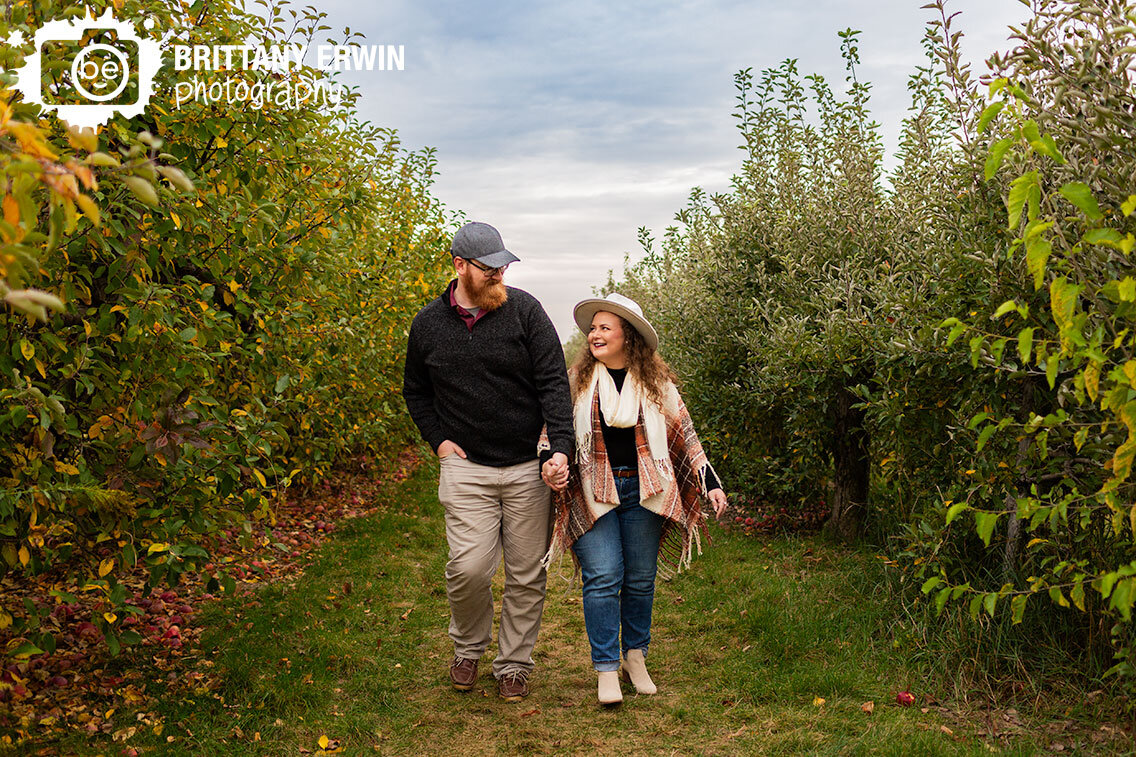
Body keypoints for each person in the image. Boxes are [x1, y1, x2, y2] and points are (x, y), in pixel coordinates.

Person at [402, 221, 573, 702]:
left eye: (504, 265)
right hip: (467, 467)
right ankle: (468, 647)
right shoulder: (428, 325)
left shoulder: (526, 312)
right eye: (490, 267)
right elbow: (415, 391)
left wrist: (559, 446)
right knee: (468, 569)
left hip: (526, 468)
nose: (501, 274)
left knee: (525, 573)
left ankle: (515, 663)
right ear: (460, 267)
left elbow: (553, 386)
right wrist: (437, 440)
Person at [540, 292, 727, 705]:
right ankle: (606, 668)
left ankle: (635, 656)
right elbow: (552, 431)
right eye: (593, 328)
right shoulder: (578, 382)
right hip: (592, 490)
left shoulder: (658, 387)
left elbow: (687, 437)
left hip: (647, 490)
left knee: (640, 579)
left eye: (605, 327)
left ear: (629, 336)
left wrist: (710, 482)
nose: (595, 334)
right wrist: (550, 462)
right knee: (604, 575)